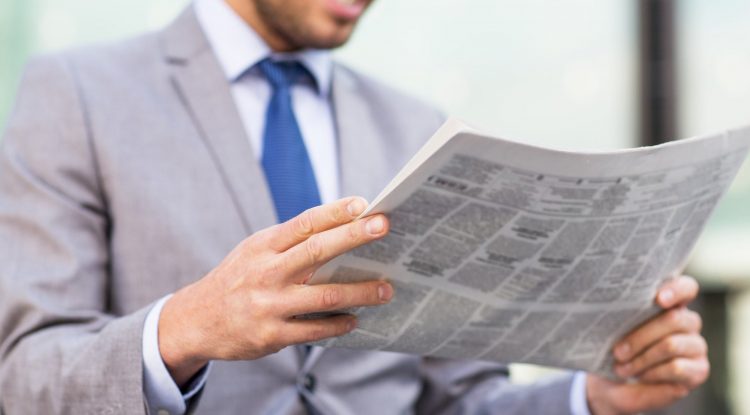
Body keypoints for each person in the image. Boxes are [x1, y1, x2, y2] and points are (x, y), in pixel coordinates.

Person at [0, 0, 709, 413]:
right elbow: (23, 376)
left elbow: (456, 396)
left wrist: (593, 398)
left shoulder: (418, 129)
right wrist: (186, 328)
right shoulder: (78, 94)